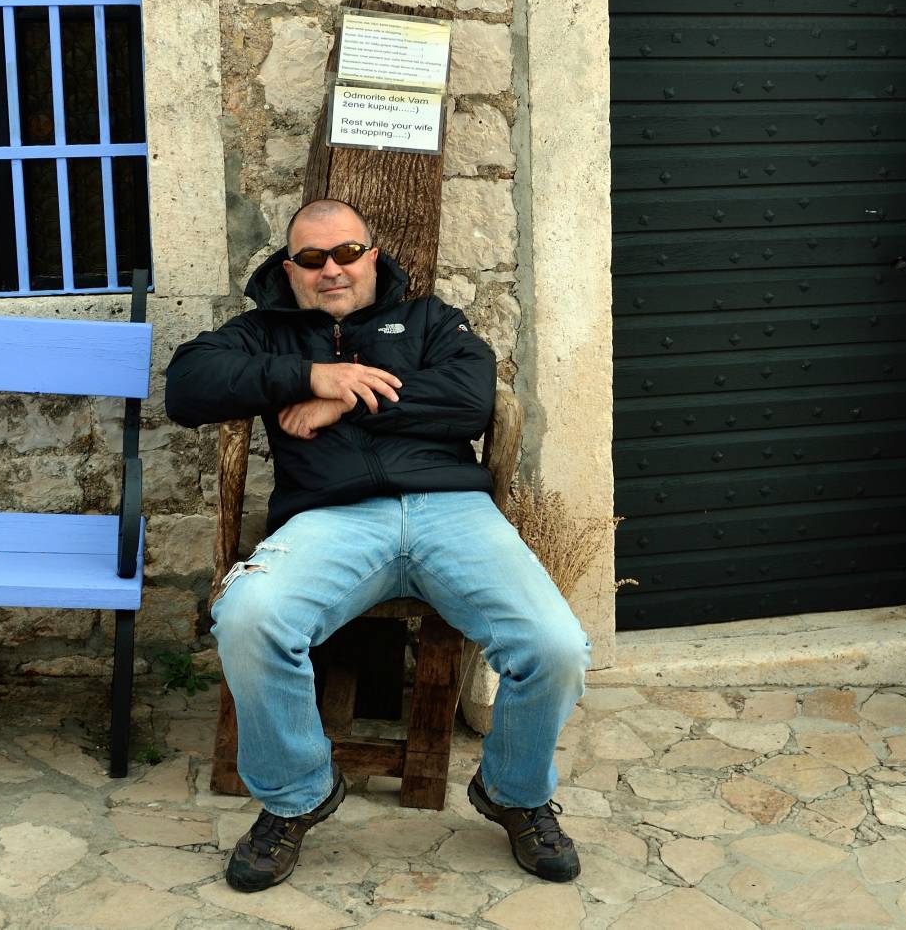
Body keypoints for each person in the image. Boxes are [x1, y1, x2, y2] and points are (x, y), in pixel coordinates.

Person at [165, 198, 590, 892]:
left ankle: (515, 792)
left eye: (346, 252)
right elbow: (186, 386)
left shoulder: (428, 319)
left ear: (372, 253)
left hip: (451, 510)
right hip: (332, 520)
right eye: (311, 258)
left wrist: (347, 396)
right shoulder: (265, 333)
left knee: (555, 646)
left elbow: (472, 398)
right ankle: (297, 793)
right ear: (289, 267)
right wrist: (307, 375)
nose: (331, 270)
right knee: (246, 618)